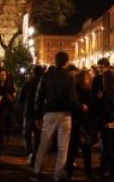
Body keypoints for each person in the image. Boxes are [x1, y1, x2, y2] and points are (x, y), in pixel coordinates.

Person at [31, 51, 86, 182]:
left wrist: (38, 116)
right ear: (66, 62)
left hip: (49, 113)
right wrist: (81, 106)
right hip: (65, 114)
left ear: (55, 61)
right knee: (63, 147)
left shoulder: (46, 77)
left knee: (44, 143)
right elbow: (72, 99)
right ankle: (58, 174)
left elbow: (39, 97)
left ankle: (37, 171)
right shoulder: (69, 78)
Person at [66, 71, 95, 181]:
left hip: (74, 121)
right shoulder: (87, 91)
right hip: (84, 123)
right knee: (86, 149)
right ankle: (88, 173)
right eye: (87, 79)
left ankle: (69, 173)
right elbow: (92, 106)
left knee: (72, 149)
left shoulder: (73, 92)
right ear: (84, 80)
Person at [98, 69, 114, 177]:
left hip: (109, 121)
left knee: (109, 147)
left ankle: (111, 169)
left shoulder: (107, 92)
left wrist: (100, 124)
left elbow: (105, 109)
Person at [20, 65, 44, 163]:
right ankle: (36, 153)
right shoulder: (43, 83)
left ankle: (29, 152)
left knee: (26, 133)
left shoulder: (28, 83)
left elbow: (21, 98)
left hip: (29, 111)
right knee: (38, 135)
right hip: (40, 113)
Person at [0, 68, 16, 154]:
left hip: (5, 107)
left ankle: (0, 145)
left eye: (4, 75)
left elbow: (11, 98)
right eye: (1, 75)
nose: (3, 76)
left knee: (1, 126)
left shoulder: (8, 85)